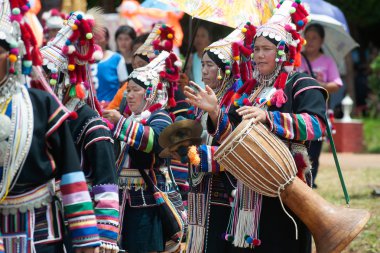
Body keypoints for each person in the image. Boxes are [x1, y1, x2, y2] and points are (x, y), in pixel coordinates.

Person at [183, 1, 328, 252]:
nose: (259, 55)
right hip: (247, 188)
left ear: (282, 52)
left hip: (286, 190)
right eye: (256, 49)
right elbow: (232, 139)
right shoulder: (249, 91)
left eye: (266, 49)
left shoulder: (300, 83)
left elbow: (317, 125)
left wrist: (269, 118)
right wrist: (215, 112)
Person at [0, 1, 100, 252]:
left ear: (14, 55)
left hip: (38, 229)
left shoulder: (41, 104)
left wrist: (86, 239)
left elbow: (70, 171)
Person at [40, 9, 120, 252]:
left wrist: (104, 237)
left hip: (82, 232)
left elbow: (106, 182)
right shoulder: (45, 118)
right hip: (48, 225)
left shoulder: (92, 126)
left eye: (47, 80)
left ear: (64, 80)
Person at [102, 51, 182, 253]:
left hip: (148, 202)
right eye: (127, 90)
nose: (128, 95)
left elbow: (156, 142)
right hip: (123, 202)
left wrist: (120, 122)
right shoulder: (131, 118)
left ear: (149, 92)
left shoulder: (160, 116)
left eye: (135, 90)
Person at [298, 23, 343, 188]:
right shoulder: (297, 58)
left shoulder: (328, 61)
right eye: (307, 37)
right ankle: (298, 181)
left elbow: (336, 84)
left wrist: (318, 84)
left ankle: (310, 181)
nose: (309, 41)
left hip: (318, 113)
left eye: (314, 38)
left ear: (321, 41)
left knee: (314, 151)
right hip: (298, 111)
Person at [92, 27, 128, 106]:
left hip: (110, 108)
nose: (96, 40)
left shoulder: (116, 58)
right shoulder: (84, 60)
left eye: (100, 37)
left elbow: (124, 86)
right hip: (90, 107)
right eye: (94, 37)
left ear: (107, 39)